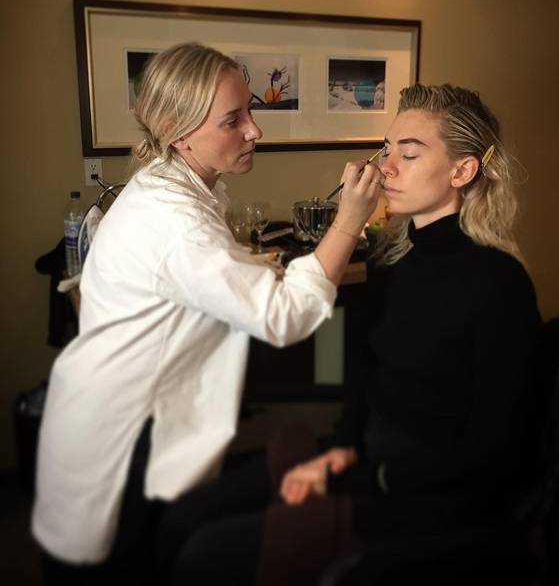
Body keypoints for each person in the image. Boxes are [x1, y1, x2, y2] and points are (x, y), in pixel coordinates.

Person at [154, 83, 542, 586]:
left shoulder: (499, 284)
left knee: (205, 553)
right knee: (183, 517)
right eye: (386, 150)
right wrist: (341, 446)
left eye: (409, 154)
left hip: (430, 496)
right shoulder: (393, 259)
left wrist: (357, 475)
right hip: (367, 458)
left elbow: (491, 454)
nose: (386, 168)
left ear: (462, 171)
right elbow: (365, 372)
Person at [31, 42, 382, 585]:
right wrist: (350, 220)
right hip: (122, 433)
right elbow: (285, 316)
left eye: (251, 111)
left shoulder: (175, 186)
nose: (254, 131)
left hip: (119, 407)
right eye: (233, 120)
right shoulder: (176, 220)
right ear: (177, 130)